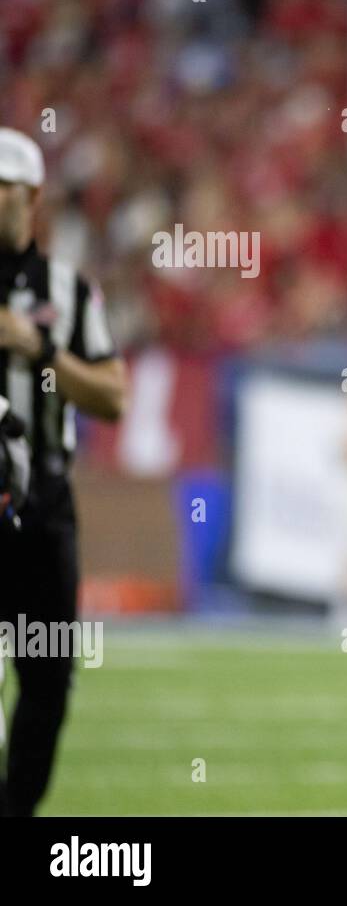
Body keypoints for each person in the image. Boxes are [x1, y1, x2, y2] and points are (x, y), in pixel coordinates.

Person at [0, 127, 127, 816]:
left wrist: (40, 346)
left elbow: (113, 396)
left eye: (1, 190)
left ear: (32, 197)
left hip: (42, 508)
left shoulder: (66, 291)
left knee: (46, 679)